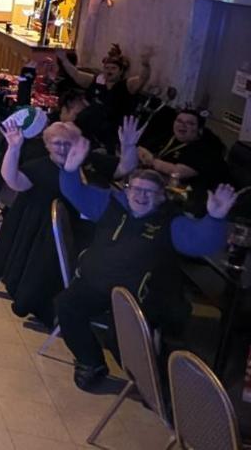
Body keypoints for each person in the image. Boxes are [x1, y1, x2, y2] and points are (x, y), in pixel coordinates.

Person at [55, 136, 235, 391]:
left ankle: (158, 393)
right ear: (127, 190)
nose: (140, 195)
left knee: (123, 342)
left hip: (138, 297)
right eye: (136, 189)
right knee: (66, 305)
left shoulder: (169, 221)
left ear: (161, 197)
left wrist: (215, 219)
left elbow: (200, 243)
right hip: (94, 284)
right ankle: (90, 361)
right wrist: (71, 170)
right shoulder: (110, 204)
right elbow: (75, 192)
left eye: (149, 192)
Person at [0, 114, 141, 327]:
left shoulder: (88, 160)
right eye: (58, 143)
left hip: (88, 228)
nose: (63, 148)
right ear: (47, 145)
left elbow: (124, 169)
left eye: (69, 143)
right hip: (51, 234)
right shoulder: (40, 166)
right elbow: (13, 181)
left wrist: (129, 146)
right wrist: (14, 148)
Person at [56, 45, 152, 126]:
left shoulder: (125, 85)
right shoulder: (97, 81)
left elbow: (142, 79)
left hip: (110, 129)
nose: (109, 71)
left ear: (121, 71)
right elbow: (75, 74)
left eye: (113, 68)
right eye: (106, 68)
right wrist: (64, 59)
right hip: (88, 123)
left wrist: (145, 64)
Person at [137, 108, 226, 192]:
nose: (182, 125)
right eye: (179, 121)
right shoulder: (169, 136)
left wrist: (151, 161)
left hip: (188, 193)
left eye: (190, 123)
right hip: (158, 182)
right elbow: (139, 148)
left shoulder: (205, 149)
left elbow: (177, 172)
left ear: (200, 130)